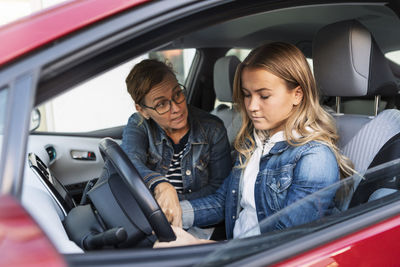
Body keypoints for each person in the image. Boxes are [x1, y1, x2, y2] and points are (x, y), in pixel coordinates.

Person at [155, 42, 353, 246]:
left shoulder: (315, 158)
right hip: (238, 251)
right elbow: (224, 202)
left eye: (264, 96)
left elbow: (285, 245)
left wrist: (199, 246)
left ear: (297, 94)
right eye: (247, 94)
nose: (251, 106)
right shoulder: (254, 141)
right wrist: (170, 212)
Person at [102, 59, 232, 227]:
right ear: (142, 110)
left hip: (198, 219)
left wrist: (172, 203)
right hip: (149, 217)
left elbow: (220, 189)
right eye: (161, 104)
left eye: (177, 94)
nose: (176, 108)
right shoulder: (139, 124)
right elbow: (130, 161)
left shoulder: (213, 129)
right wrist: (161, 185)